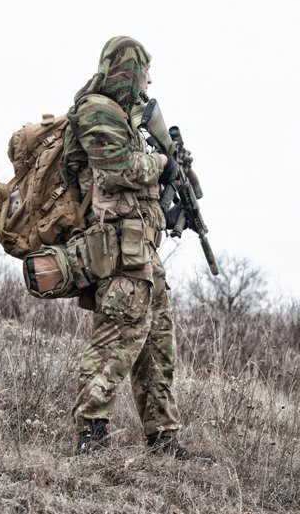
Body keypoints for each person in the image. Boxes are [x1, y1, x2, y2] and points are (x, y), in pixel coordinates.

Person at [62, 36, 206, 460]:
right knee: (116, 338)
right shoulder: (96, 110)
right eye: (144, 72)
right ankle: (92, 433)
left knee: (158, 344)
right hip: (117, 249)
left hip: (143, 250)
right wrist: (161, 165)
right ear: (128, 70)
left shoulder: (128, 119)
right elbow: (120, 169)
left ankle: (163, 438)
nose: (149, 81)